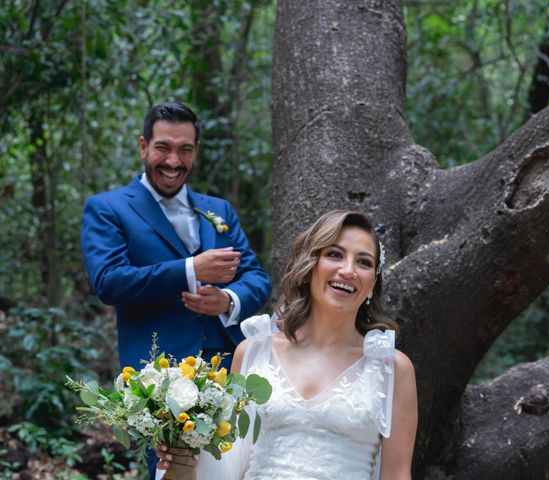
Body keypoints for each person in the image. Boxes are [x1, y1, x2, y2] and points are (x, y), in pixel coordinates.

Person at [81, 102, 271, 476]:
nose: (174, 160)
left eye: (185, 149)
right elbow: (109, 281)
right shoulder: (108, 208)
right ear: (142, 146)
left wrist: (227, 300)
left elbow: (257, 277)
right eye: (163, 147)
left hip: (231, 373)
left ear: (196, 151)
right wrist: (189, 269)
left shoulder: (218, 211)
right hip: (159, 380)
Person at [156, 210, 418, 479]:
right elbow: (226, 460)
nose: (348, 270)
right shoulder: (254, 352)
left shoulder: (392, 368)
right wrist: (182, 455)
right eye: (335, 255)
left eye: (363, 262)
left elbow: (397, 474)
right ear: (309, 266)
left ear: (373, 281)